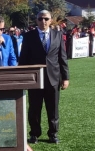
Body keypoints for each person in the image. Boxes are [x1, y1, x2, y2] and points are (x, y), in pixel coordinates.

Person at [18, 10, 70, 144]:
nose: (43, 21)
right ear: (36, 20)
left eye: (46, 19)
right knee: (34, 108)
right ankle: (34, 133)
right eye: (40, 19)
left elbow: (62, 57)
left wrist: (65, 78)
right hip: (34, 78)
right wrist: (23, 78)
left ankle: (53, 134)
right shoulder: (28, 36)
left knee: (53, 108)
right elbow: (23, 58)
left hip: (53, 78)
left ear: (51, 20)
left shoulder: (58, 35)